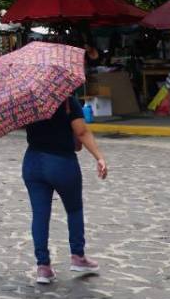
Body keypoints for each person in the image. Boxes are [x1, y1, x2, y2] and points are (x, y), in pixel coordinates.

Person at [22, 96, 107, 284]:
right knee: (74, 209)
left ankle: (43, 267)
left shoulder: (28, 100)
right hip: (61, 162)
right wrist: (99, 157)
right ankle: (78, 256)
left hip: (33, 161)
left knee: (40, 214)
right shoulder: (67, 100)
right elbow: (82, 132)